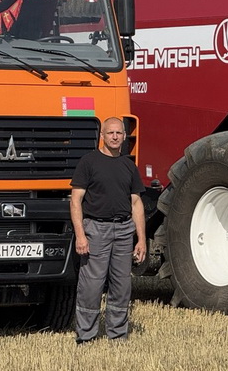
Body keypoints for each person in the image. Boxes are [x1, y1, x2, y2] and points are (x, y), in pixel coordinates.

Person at [70, 116, 146, 344]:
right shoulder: (89, 162)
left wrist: (141, 239)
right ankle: (86, 336)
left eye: (119, 133)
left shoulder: (128, 166)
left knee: (122, 285)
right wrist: (80, 235)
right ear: (102, 136)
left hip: (123, 230)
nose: (115, 137)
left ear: (124, 136)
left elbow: (136, 203)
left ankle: (118, 336)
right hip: (96, 229)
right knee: (91, 285)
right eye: (110, 133)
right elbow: (75, 201)